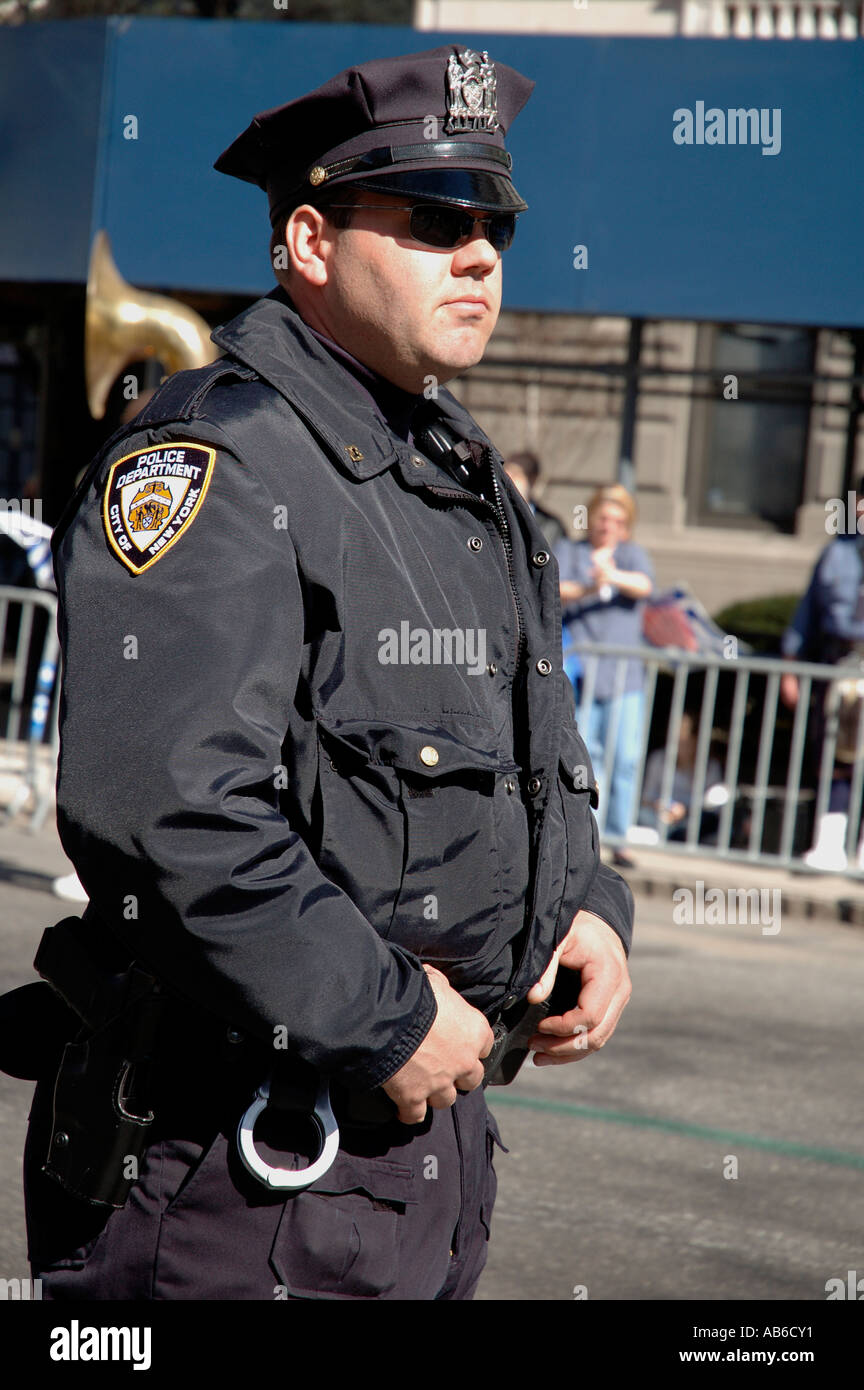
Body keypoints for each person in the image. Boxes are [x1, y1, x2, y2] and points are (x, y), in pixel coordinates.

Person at [17, 46, 634, 1302]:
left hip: (418, 1169)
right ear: (308, 239)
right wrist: (388, 1018)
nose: (481, 257)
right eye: (433, 222)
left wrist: (588, 908)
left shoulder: (458, 477)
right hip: (240, 1180)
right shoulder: (220, 463)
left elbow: (517, 765)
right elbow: (169, 812)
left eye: (496, 228)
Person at [555, 484, 654, 869]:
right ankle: (587, 833)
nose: (608, 525)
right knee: (587, 755)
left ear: (626, 525)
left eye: (617, 520)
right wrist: (590, 586)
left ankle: (619, 836)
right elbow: (554, 589)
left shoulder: (632, 554)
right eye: (603, 518)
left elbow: (644, 585)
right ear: (591, 517)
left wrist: (614, 574)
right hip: (581, 673)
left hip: (624, 676)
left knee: (626, 757)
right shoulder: (572, 550)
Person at [780, 484, 864, 871]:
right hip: (840, 662)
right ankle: (830, 841)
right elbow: (808, 612)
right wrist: (790, 666)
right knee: (835, 752)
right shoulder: (837, 552)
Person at [637, 711, 725, 844]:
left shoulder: (711, 766)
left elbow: (713, 804)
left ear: (696, 739)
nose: (677, 743)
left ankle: (672, 837)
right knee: (643, 815)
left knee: (706, 821)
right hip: (660, 816)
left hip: (692, 817)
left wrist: (686, 810)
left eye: (684, 738)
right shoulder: (658, 759)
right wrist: (658, 806)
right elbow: (646, 797)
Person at [503, 450, 566, 547]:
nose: (508, 482)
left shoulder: (550, 526)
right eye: (505, 476)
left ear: (532, 480)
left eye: (515, 475)